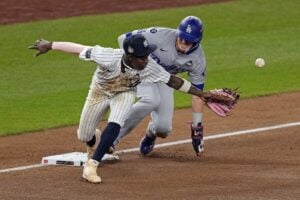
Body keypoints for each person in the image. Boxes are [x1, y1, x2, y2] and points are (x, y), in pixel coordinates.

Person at [29, 34, 214, 184]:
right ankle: (96, 141)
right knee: (84, 136)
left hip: (124, 93)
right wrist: (51, 44)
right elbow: (79, 49)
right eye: (142, 57)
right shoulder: (107, 56)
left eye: (146, 55)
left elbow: (174, 80)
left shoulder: (149, 67)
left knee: (116, 121)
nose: (146, 60)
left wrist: (202, 94)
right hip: (99, 92)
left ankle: (92, 165)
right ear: (130, 56)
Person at [113, 16, 206, 156]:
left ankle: (151, 133)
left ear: (196, 42)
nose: (182, 42)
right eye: (181, 38)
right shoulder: (158, 35)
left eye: (188, 41)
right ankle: (112, 137)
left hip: (166, 81)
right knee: (151, 100)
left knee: (163, 129)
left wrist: (197, 127)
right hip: (142, 73)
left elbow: (197, 94)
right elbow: (122, 38)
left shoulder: (198, 60)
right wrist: (135, 61)